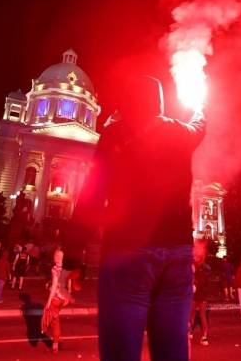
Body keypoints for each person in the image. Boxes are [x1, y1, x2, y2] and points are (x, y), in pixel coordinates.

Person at [68, 75, 205, 361]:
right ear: (160, 103)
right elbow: (200, 126)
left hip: (128, 253)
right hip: (178, 256)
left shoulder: (115, 135)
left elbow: (93, 192)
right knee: (172, 350)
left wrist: (73, 253)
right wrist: (201, 105)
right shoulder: (180, 132)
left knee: (121, 351)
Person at [41, 249, 73, 354]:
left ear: (56, 257)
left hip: (55, 298)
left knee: (54, 321)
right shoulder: (65, 268)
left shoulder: (55, 268)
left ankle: (55, 346)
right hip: (63, 299)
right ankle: (58, 339)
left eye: (55, 255)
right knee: (54, 318)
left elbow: (55, 285)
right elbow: (68, 282)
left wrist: (49, 300)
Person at [189, 242, 212, 346]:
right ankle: (190, 331)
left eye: (198, 256)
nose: (196, 257)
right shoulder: (193, 266)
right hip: (195, 294)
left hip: (201, 294)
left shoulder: (205, 267)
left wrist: (195, 283)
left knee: (202, 316)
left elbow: (203, 281)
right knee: (191, 314)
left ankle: (204, 336)